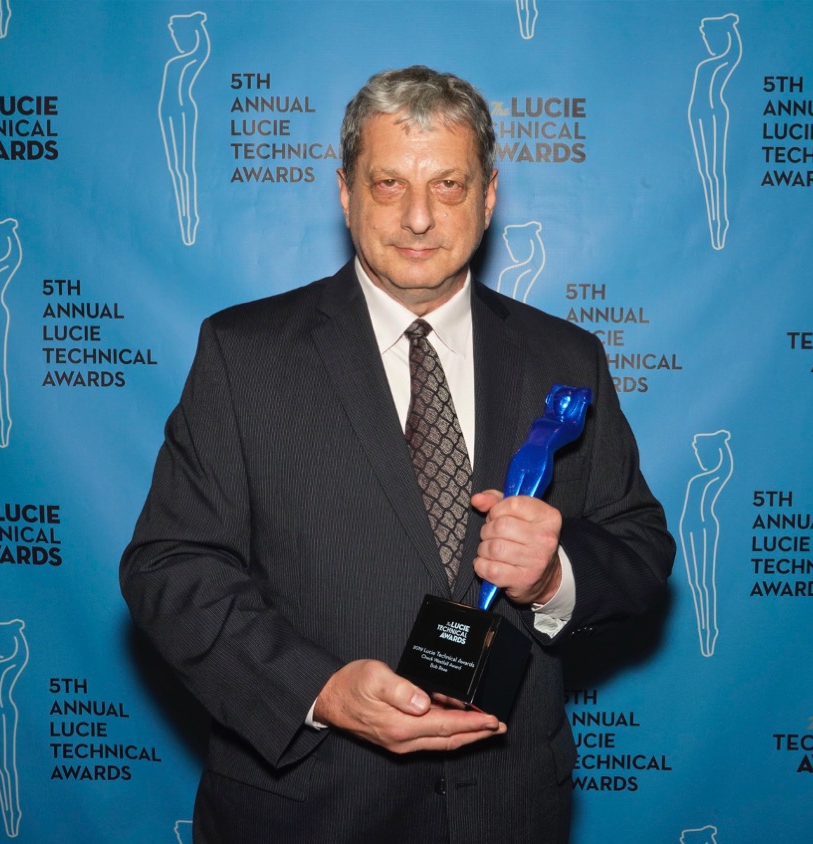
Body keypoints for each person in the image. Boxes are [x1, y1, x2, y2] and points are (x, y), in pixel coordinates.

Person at [120, 65, 674, 844]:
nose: (418, 217)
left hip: (507, 813)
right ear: (345, 193)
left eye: (448, 185)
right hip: (310, 810)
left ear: (487, 199)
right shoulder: (243, 355)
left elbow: (640, 546)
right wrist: (322, 689)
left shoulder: (566, 357)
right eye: (388, 184)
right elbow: (169, 567)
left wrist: (555, 575)